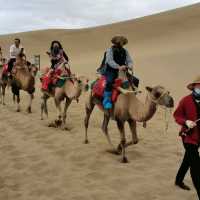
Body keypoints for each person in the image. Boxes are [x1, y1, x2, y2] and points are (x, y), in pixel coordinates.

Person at [174, 76, 200, 199]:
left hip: (198, 137)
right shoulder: (185, 100)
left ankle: (178, 180)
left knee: (188, 160)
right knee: (196, 167)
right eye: (198, 85)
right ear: (194, 86)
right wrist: (186, 122)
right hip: (188, 137)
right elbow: (177, 115)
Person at [102, 35, 133, 109]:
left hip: (122, 71)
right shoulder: (110, 50)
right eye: (120, 41)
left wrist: (130, 66)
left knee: (134, 80)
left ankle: (132, 98)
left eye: (122, 42)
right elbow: (109, 61)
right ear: (116, 42)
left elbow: (129, 60)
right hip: (111, 70)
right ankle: (107, 101)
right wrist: (118, 67)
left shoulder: (125, 51)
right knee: (109, 82)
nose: (122, 43)